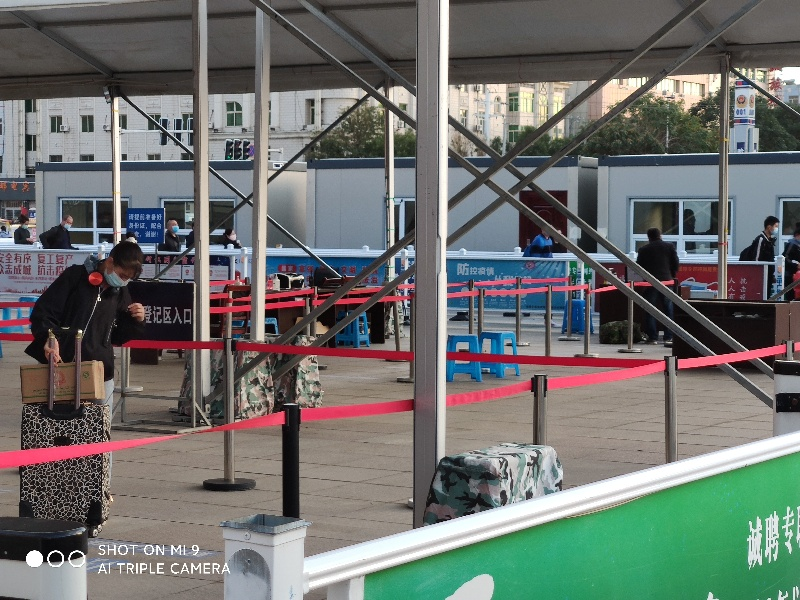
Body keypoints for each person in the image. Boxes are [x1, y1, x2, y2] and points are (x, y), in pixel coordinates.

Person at [25, 241, 145, 461]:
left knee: (99, 437)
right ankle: (55, 477)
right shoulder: (75, 277)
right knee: (57, 431)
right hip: (62, 366)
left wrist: (136, 320)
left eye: (128, 278)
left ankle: (99, 482)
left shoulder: (119, 291)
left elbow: (118, 336)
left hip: (99, 371)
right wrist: (49, 338)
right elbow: (43, 313)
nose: (123, 281)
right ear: (110, 262)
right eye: (121, 274)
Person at [636, 227, 680, 346]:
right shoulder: (669, 247)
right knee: (668, 309)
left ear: (648, 237)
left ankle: (652, 337)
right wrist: (671, 275)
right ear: (660, 235)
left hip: (650, 282)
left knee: (650, 310)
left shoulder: (643, 250)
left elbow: (638, 266)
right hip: (667, 282)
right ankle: (668, 337)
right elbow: (675, 263)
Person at [783, 226, 800, 301]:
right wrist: (796, 265)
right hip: (790, 275)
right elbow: (785, 258)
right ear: (797, 235)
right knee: (791, 296)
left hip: (797, 275)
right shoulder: (792, 244)